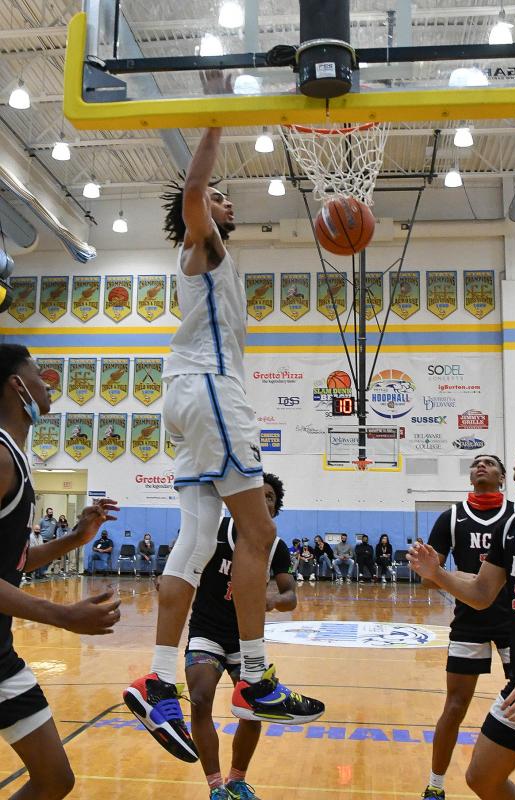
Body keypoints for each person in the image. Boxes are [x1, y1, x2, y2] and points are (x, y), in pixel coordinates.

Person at [123, 112, 323, 763]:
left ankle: (156, 678)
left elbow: (195, 200)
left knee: (198, 540)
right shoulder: (201, 244)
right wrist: (213, 122)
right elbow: (190, 195)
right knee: (257, 531)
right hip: (210, 394)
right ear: (197, 213)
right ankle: (256, 676)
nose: (223, 198)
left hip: (189, 399)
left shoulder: (210, 256)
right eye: (217, 194)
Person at [0, 343, 121, 800]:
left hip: (0, 654)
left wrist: (75, 538)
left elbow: (15, 562)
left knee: (55, 779)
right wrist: (62, 616)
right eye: (37, 372)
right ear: (16, 384)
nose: (48, 382)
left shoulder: (18, 458)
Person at [408, 448, 515, 800]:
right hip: (470, 621)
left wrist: (453, 576)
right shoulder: (453, 518)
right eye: (476, 463)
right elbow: (437, 581)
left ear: (502, 477)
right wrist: (444, 574)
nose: (481, 465)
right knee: (455, 706)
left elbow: (468, 581)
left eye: (489, 463)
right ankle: (435, 785)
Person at [185, 473, 298, 799]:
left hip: (246, 639)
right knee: (200, 698)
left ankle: (237, 780)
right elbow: (184, 570)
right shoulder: (214, 534)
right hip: (207, 631)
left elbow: (291, 595)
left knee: (254, 709)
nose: (263, 501)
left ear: (275, 510)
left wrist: (276, 599)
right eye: (257, 494)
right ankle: (216, 787)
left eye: (270, 498)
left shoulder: (276, 546)